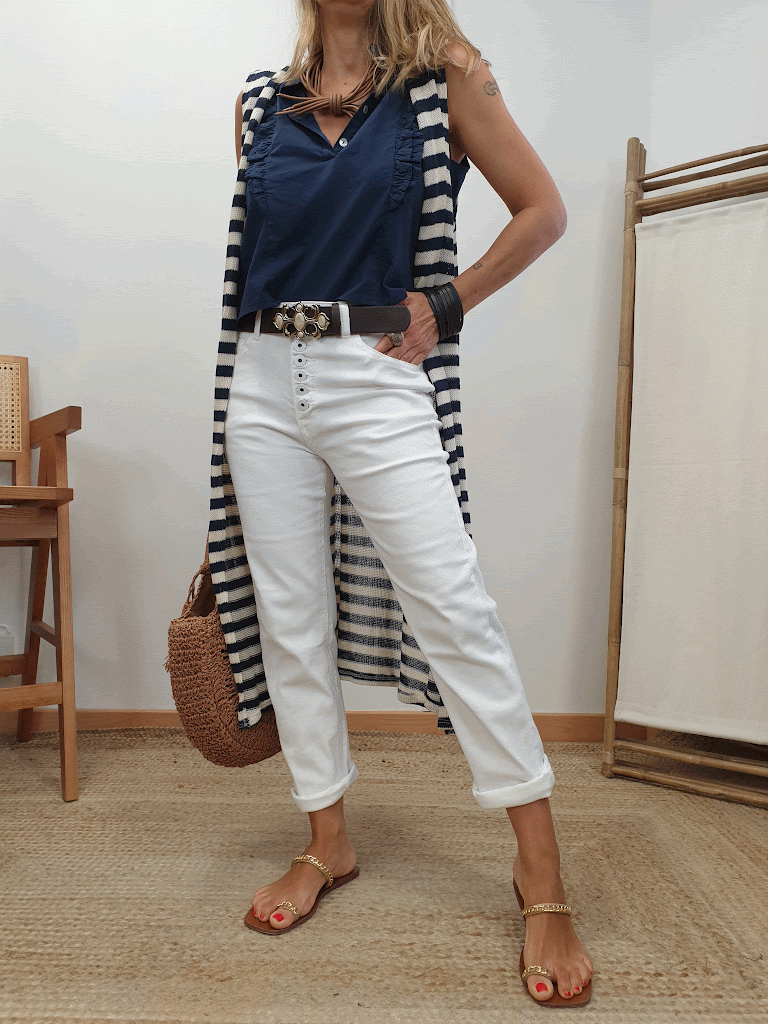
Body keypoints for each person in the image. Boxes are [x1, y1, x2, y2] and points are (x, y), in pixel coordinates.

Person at [223, 0, 593, 1006]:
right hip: (262, 379)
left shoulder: (444, 79)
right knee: (290, 616)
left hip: (376, 368)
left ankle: (541, 873)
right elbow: (255, 261)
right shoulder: (260, 104)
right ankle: (327, 839)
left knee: (453, 607)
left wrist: (450, 302)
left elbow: (543, 211)